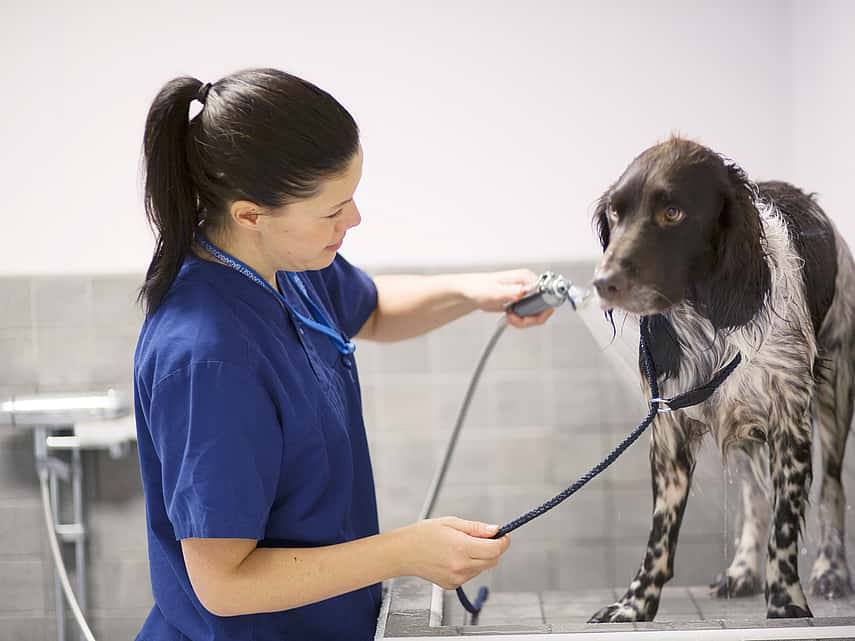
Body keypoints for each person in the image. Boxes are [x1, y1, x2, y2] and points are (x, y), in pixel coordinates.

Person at [134, 67, 553, 641]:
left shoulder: (285, 268)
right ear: (250, 214)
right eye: (333, 211)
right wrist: (404, 551)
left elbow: (374, 308)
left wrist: (475, 292)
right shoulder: (209, 360)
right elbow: (224, 585)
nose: (353, 220)